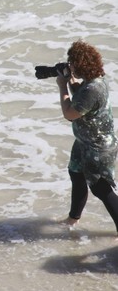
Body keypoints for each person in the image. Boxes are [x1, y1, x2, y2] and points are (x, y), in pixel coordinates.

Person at [56, 40, 118, 236]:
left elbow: (70, 113)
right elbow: (81, 96)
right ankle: (73, 218)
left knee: (101, 189)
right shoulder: (95, 81)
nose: (70, 65)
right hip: (85, 142)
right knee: (76, 175)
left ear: (80, 64)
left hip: (98, 146)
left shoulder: (93, 88)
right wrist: (71, 81)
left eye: (72, 63)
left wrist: (62, 86)